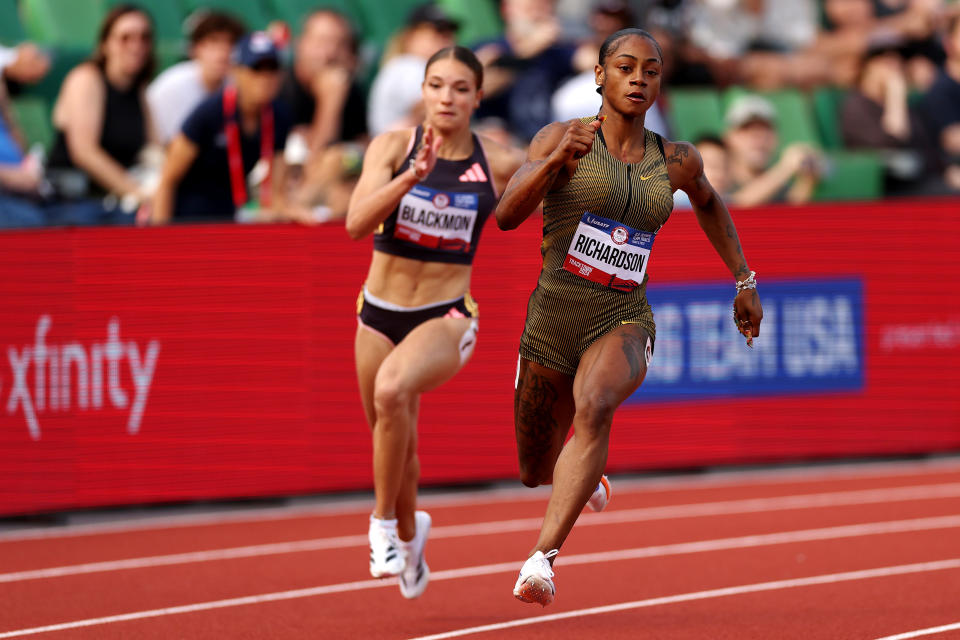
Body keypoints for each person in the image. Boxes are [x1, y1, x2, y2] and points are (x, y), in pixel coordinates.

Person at [494, 28, 762, 607]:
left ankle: (542, 559)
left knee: (595, 406)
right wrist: (552, 163)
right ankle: (584, 475)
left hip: (623, 315)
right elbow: (505, 216)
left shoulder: (676, 160)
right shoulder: (561, 138)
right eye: (625, 66)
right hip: (551, 319)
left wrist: (743, 280)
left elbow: (712, 204)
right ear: (599, 76)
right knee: (534, 469)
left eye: (651, 70)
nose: (638, 78)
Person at [346, 46, 523, 599]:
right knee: (396, 445)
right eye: (436, 85)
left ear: (477, 96)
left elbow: (554, 194)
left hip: (446, 315)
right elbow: (355, 224)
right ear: (422, 91)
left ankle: (379, 526)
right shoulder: (390, 148)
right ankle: (407, 531)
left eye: (460, 88)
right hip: (377, 313)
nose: (447, 97)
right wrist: (408, 181)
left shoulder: (497, 163)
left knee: (392, 390)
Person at [149, 32, 299, 224]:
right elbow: (167, 181)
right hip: (188, 218)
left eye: (272, 68)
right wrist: (162, 236)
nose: (265, 77)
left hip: (233, 216)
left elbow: (277, 190)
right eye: (256, 69)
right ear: (236, 72)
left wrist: (288, 210)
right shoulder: (209, 114)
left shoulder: (280, 116)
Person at [46, 4, 159, 225]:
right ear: (105, 44)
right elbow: (85, 152)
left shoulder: (139, 89)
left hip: (116, 201)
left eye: (144, 38)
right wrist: (138, 193)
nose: (136, 46)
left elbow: (153, 149)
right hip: (75, 202)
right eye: (125, 38)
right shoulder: (86, 78)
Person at [841, 44, 943, 194]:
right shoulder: (856, 105)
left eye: (898, 61)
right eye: (886, 62)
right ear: (867, 66)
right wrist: (895, 94)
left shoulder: (904, 106)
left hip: (922, 178)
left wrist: (946, 169)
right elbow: (890, 143)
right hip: (887, 186)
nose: (895, 67)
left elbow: (925, 144)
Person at [147, 10, 246, 145]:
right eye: (213, 42)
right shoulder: (173, 86)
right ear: (196, 49)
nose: (223, 53)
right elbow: (173, 149)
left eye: (230, 44)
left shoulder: (237, 85)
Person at [367, 3, 458, 136]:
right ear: (411, 37)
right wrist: (474, 86)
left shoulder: (402, 65)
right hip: (399, 149)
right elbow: (426, 107)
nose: (445, 39)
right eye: (437, 32)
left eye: (449, 33)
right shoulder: (410, 65)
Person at [723, 94, 823, 206]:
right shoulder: (719, 178)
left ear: (776, 138)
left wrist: (808, 181)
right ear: (729, 138)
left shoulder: (781, 187)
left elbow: (790, 210)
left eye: (766, 130)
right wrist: (785, 167)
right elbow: (735, 205)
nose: (759, 138)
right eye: (747, 130)